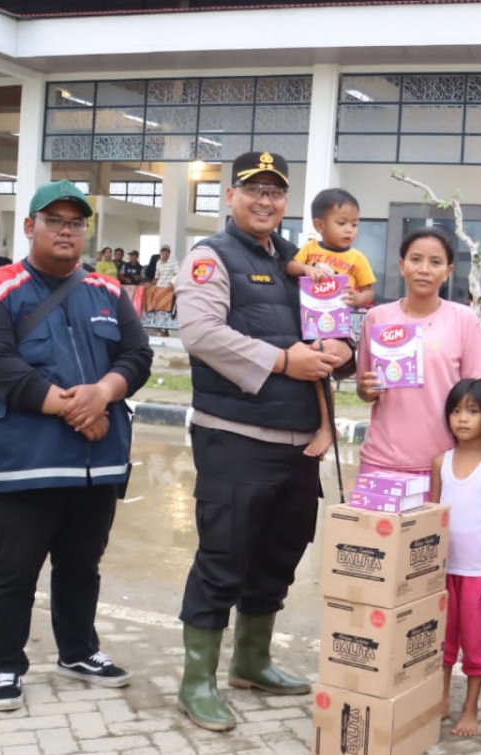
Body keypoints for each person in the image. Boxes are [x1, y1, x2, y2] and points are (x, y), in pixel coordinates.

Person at [173, 151, 355, 732]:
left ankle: (251, 661)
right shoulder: (211, 257)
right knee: (223, 556)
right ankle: (196, 680)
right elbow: (200, 332)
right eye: (254, 190)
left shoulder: (300, 261)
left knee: (280, 553)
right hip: (235, 437)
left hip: (300, 441)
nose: (265, 201)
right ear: (231, 196)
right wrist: (280, 360)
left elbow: (326, 334)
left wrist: (343, 351)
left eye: (276, 192)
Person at [0, 179, 152, 712]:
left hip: (95, 464)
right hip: (22, 462)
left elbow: (137, 357)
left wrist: (104, 393)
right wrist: (75, 407)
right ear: (30, 227)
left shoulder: (108, 292)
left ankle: (78, 651)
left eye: (76, 223)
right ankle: (2, 665)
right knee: (14, 569)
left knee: (81, 566)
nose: (66, 231)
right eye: (54, 221)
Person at [356, 226, 481, 479]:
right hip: (382, 460)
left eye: (435, 262)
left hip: (445, 463)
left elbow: (478, 394)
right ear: (401, 265)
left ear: (448, 272)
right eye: (416, 259)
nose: (424, 269)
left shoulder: (464, 320)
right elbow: (364, 390)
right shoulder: (377, 318)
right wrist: (366, 389)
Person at [431, 378, 481, 738]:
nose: (463, 418)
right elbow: (432, 518)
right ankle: (442, 697)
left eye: (472, 411)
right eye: (456, 410)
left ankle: (471, 706)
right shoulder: (440, 462)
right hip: (443, 570)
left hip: (478, 571)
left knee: (476, 642)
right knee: (442, 641)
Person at [286, 188, 376, 307]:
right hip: (310, 313)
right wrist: (306, 269)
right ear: (319, 225)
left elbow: (369, 291)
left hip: (340, 317)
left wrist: (359, 298)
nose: (349, 230)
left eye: (354, 224)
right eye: (341, 223)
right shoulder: (310, 248)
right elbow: (289, 267)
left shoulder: (358, 258)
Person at [144, 246, 178, 313]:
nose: (164, 253)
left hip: (168, 287)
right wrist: (150, 284)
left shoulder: (174, 262)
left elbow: (177, 274)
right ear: (161, 253)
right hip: (159, 287)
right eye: (163, 251)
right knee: (156, 303)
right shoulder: (158, 263)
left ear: (169, 253)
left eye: (166, 251)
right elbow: (156, 277)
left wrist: (172, 283)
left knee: (165, 306)